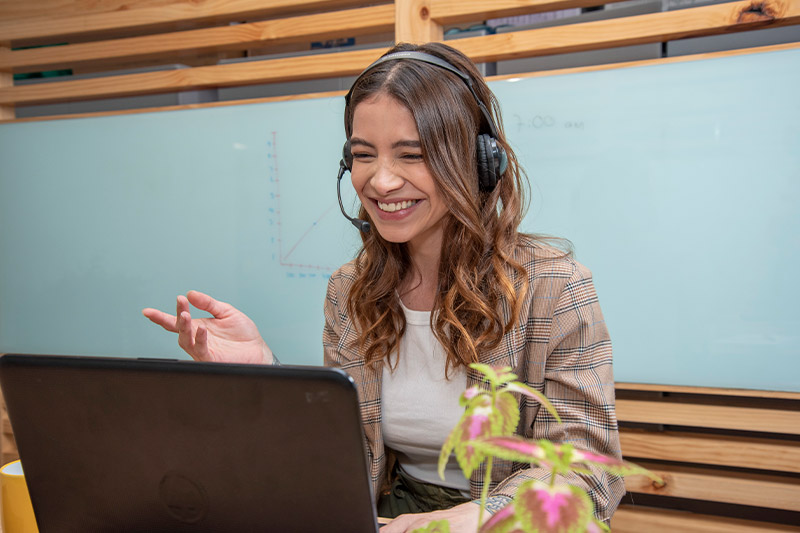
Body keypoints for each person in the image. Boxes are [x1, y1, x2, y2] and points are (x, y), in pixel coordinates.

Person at [143, 42, 624, 532]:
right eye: (363, 155)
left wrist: (473, 519)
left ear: (479, 162)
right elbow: (339, 454)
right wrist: (264, 372)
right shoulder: (349, 289)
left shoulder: (555, 286)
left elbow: (586, 472)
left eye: (411, 154)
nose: (382, 180)